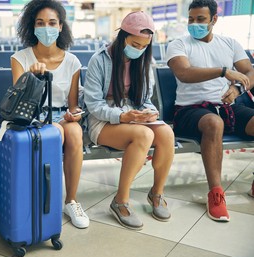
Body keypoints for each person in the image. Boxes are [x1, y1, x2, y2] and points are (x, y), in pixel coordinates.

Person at [83, 11, 174, 230]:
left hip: (133, 115)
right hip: (102, 119)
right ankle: (120, 201)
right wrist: (122, 115)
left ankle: (156, 193)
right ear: (122, 36)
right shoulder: (100, 60)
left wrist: (149, 113)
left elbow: (144, 100)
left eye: (144, 46)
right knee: (144, 135)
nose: (139, 50)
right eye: (135, 44)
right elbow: (93, 105)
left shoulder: (143, 61)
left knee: (166, 134)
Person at [166, 0, 254, 222]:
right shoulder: (178, 44)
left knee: (221, 119)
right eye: (191, 19)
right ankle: (216, 193)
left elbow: (249, 72)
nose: (194, 23)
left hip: (229, 106)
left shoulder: (230, 43)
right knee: (214, 123)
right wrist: (223, 72)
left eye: (201, 19)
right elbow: (184, 73)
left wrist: (237, 88)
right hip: (189, 110)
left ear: (214, 19)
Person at [11, 0, 89, 229]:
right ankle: (48, 200)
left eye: (52, 22)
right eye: (40, 23)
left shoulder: (72, 61)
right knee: (55, 134)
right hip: (32, 119)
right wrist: (31, 79)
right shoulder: (20, 59)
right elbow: (19, 104)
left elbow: (73, 105)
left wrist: (76, 115)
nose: (47, 27)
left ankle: (71, 200)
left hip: (62, 117)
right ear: (32, 27)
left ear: (61, 26)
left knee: (74, 132)